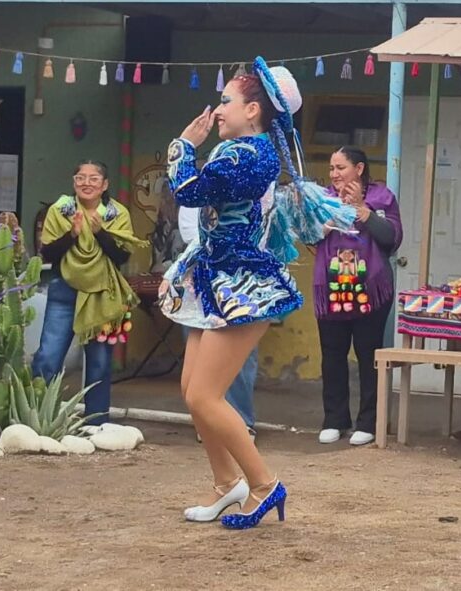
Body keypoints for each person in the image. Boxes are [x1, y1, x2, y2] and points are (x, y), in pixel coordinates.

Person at [159, 57, 354, 529]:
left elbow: (187, 190)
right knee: (192, 391)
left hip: (242, 285)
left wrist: (184, 144)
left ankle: (265, 486)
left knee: (205, 396)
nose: (217, 109)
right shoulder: (248, 151)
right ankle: (227, 485)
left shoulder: (247, 155)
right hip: (216, 279)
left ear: (254, 111)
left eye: (226, 101)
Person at [34, 161, 145, 425]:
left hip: (102, 293)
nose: (86, 183)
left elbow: (122, 255)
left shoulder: (116, 213)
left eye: (93, 178)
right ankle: (37, 420)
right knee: (48, 357)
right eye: (80, 178)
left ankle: (96, 425)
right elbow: (47, 253)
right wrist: (72, 234)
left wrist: (100, 233)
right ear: (74, 183)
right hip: (64, 290)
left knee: (99, 363)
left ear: (104, 184)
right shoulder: (60, 211)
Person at [315, 146, 402, 447]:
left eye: (340, 167)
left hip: (371, 290)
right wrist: (329, 218)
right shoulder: (322, 199)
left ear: (360, 169)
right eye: (332, 169)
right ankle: (334, 419)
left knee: (368, 355)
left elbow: (391, 238)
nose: (334, 174)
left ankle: (368, 422)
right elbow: (309, 236)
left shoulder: (382, 197)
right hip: (332, 289)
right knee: (332, 354)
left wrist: (362, 210)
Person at [178, 205, 259, 439]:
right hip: (203, 281)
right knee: (196, 374)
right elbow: (189, 233)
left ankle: (241, 422)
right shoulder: (198, 190)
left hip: (242, 280)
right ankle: (208, 424)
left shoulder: (254, 187)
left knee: (238, 357)